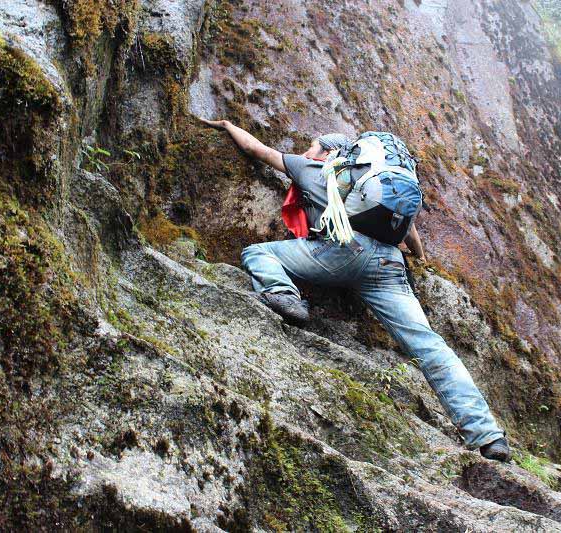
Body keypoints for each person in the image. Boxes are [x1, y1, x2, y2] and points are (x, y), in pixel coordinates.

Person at [198, 117, 511, 462]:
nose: (305, 151)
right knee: (429, 345)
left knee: (258, 253)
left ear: (328, 152)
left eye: (312, 146)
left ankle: (285, 295)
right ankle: (487, 435)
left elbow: (256, 149)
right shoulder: (373, 187)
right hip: (389, 265)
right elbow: (410, 232)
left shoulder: (314, 168)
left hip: (340, 253)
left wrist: (228, 125)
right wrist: (419, 259)